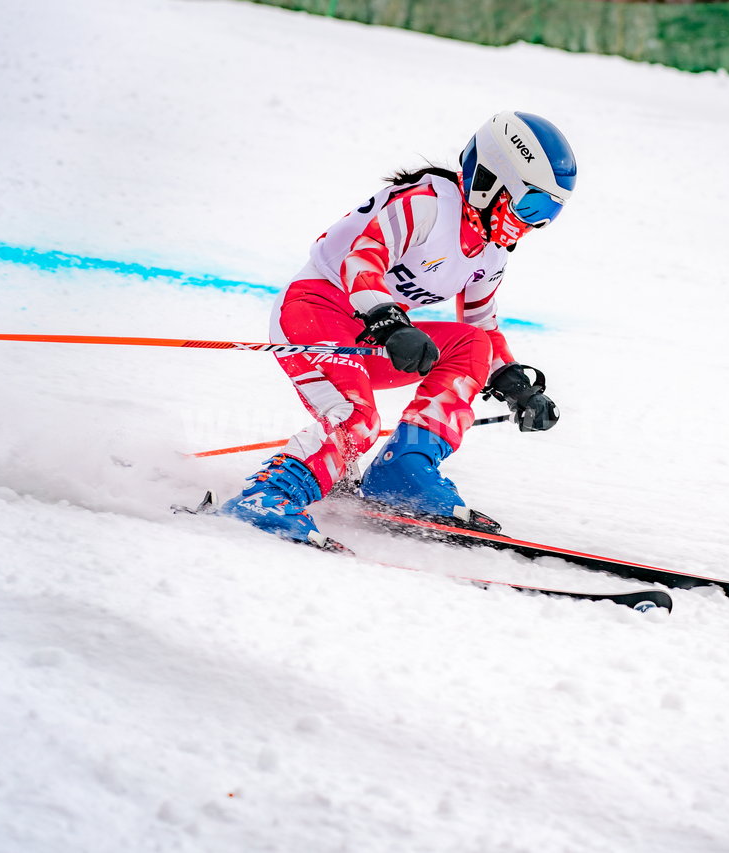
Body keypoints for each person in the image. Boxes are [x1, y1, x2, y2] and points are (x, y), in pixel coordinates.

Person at [217, 111, 577, 545]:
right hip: (313, 311)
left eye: (548, 214)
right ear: (489, 180)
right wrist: (388, 322)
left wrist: (515, 383)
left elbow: (481, 319)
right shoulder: (426, 204)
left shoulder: (491, 250)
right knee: (357, 418)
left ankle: (402, 471)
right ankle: (266, 499)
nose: (533, 224)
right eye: (530, 205)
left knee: (472, 345)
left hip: (375, 332)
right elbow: (362, 259)